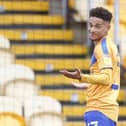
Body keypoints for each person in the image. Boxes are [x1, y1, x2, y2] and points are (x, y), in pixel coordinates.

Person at [60, 7, 120, 126]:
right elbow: (110, 79)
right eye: (90, 25)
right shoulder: (110, 45)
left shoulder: (102, 49)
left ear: (108, 28)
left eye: (98, 26)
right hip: (107, 111)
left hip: (99, 109)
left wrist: (82, 77)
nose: (92, 29)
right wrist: (90, 85)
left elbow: (106, 78)